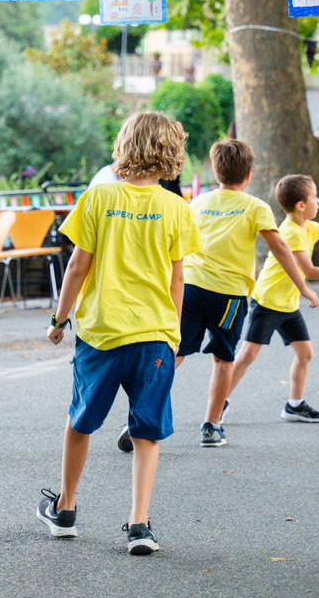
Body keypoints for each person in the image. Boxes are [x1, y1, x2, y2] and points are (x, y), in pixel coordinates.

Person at [37, 111, 199, 555]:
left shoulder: (98, 198)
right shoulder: (177, 209)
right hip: (155, 334)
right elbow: (176, 277)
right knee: (147, 432)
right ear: (172, 152)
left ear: (124, 145)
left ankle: (66, 509)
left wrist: (59, 319)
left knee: (81, 419)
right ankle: (139, 524)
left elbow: (77, 266)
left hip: (102, 331)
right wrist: (176, 333)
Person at [178, 139, 318, 449]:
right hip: (227, 295)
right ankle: (211, 426)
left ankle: (143, 415)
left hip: (189, 286)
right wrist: (303, 286)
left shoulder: (198, 202)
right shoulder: (256, 206)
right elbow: (281, 248)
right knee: (223, 360)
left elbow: (179, 244)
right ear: (249, 174)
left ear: (216, 171)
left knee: (175, 354)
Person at [224, 174, 319, 425]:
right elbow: (310, 271)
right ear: (301, 206)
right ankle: (220, 401)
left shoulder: (309, 227)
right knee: (247, 356)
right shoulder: (291, 233)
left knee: (305, 353)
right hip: (267, 302)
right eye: (315, 197)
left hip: (288, 304)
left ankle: (294, 405)